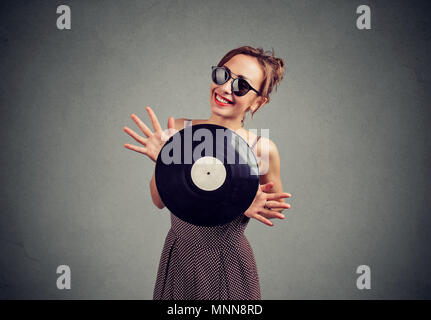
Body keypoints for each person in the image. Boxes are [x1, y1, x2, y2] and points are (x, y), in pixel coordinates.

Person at [123, 46, 292, 299]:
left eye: (241, 86)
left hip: (226, 262)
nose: (225, 88)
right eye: (223, 75)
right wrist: (164, 161)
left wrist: (246, 200)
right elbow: (159, 201)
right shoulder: (180, 130)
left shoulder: (261, 148)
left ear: (258, 101)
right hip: (179, 254)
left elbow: (275, 207)